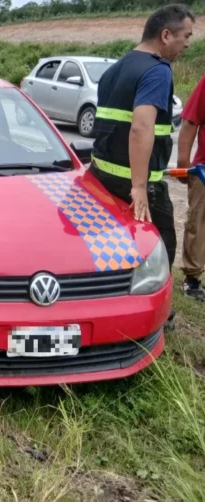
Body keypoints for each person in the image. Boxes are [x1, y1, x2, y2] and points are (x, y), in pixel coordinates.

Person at [89, 4, 195, 328]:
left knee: (110, 245)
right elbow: (140, 128)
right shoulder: (157, 70)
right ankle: (156, 318)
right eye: (186, 36)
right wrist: (139, 187)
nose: (188, 43)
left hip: (101, 178)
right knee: (159, 246)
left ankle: (108, 305)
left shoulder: (116, 68)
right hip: (136, 183)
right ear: (166, 35)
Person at [178, 74, 205, 299]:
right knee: (198, 223)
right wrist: (183, 163)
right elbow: (189, 122)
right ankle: (192, 280)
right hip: (204, 171)